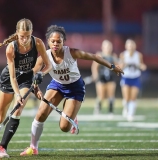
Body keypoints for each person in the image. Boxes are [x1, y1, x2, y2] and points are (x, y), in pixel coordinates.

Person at [20, 25, 124, 156]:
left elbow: (94, 57)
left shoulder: (72, 52)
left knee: (64, 127)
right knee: (40, 114)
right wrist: (36, 89)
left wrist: (112, 66)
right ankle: (33, 147)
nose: (56, 44)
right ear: (48, 42)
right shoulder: (44, 57)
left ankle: (73, 117)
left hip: (75, 88)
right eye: (53, 41)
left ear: (64, 41)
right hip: (57, 85)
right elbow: (32, 76)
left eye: (59, 41)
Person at [0, 18, 52, 158]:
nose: (24, 39)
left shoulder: (37, 43)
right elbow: (13, 77)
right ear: (17, 33)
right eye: (21, 36)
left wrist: (40, 74)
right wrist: (17, 94)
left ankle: (2, 148)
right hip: (9, 79)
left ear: (31, 32)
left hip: (26, 79)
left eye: (27, 36)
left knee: (18, 108)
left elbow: (48, 65)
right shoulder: (11, 48)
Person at [119, 39, 147, 122]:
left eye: (132, 45)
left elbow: (142, 65)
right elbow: (120, 66)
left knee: (133, 97)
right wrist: (124, 64)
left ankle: (131, 114)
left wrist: (141, 66)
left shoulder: (138, 55)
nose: (131, 47)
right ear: (126, 46)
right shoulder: (123, 55)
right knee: (126, 97)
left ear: (135, 46)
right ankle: (126, 108)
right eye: (129, 45)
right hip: (126, 77)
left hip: (135, 77)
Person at [91, 40, 118, 115]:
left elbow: (117, 66)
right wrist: (95, 74)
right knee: (101, 96)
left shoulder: (113, 56)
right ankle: (98, 109)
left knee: (111, 95)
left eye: (109, 46)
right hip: (101, 77)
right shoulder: (99, 55)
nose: (108, 48)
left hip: (111, 77)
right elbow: (94, 66)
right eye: (106, 46)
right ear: (102, 47)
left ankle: (110, 111)